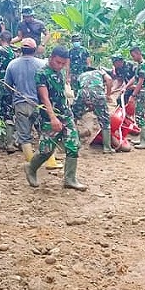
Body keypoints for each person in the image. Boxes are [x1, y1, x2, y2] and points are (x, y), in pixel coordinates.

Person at [26, 46, 88, 191]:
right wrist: (53, 118)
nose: (60, 66)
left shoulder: (60, 72)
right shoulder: (42, 74)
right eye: (58, 62)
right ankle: (31, 167)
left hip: (66, 114)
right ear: (51, 57)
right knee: (46, 150)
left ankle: (70, 179)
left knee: (73, 145)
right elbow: (44, 98)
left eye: (63, 63)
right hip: (49, 117)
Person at [4, 38, 62, 169]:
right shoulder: (42, 64)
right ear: (34, 50)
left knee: (24, 136)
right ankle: (51, 162)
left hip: (20, 104)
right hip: (39, 104)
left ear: (21, 49)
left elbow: (7, 86)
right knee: (45, 133)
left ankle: (32, 166)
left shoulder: (12, 64)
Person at [72, 69, 115, 153]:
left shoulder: (81, 75)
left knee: (73, 118)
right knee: (105, 121)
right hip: (98, 93)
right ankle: (107, 148)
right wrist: (108, 95)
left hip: (82, 92)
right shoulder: (100, 71)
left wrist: (88, 105)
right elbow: (109, 80)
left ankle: (75, 144)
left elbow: (78, 91)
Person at [127, 46, 145, 149]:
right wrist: (126, 86)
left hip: (142, 93)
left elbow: (140, 82)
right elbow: (135, 78)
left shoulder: (143, 66)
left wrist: (133, 95)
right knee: (140, 115)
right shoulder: (140, 65)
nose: (132, 58)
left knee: (140, 116)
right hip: (141, 93)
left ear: (138, 53)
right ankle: (142, 139)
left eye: (133, 56)